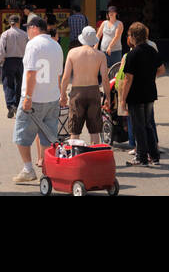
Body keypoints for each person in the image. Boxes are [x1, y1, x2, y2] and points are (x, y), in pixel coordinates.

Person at [11, 14, 64, 184]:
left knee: (21, 134)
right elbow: (58, 75)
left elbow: (31, 73)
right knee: (48, 137)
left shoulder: (33, 45)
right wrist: (59, 94)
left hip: (34, 98)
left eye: (28, 28)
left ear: (34, 28)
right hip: (52, 97)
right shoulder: (56, 46)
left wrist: (27, 96)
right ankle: (48, 169)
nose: (27, 31)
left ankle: (28, 168)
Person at [117, 22, 163, 167]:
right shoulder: (152, 50)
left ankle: (141, 157)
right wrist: (149, 76)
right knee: (148, 124)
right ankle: (154, 156)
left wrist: (122, 99)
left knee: (139, 126)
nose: (128, 38)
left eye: (129, 35)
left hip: (136, 95)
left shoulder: (132, 54)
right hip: (150, 92)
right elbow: (161, 69)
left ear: (133, 37)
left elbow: (128, 79)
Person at [60, 25, 108, 145]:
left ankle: (74, 157)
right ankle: (95, 157)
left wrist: (63, 95)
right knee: (94, 130)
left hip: (77, 92)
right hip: (94, 92)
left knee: (75, 129)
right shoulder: (100, 55)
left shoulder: (72, 53)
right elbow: (105, 79)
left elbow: (65, 77)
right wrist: (108, 97)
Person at [0, 14, 28, 118]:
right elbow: (28, 49)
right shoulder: (24, 34)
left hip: (9, 61)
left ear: (10, 23)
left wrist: (0, 61)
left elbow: (1, 50)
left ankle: (10, 105)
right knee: (20, 84)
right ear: (18, 22)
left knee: (8, 84)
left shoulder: (5, 34)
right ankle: (17, 104)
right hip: (21, 61)